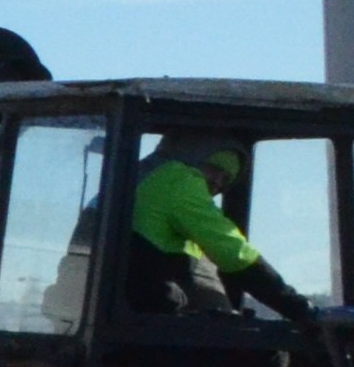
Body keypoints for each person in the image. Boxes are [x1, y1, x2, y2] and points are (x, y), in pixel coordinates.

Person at [127, 133, 315, 322]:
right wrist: (299, 308)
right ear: (192, 156)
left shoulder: (142, 175)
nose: (218, 182)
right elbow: (234, 254)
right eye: (214, 169)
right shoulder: (177, 180)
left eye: (226, 179)